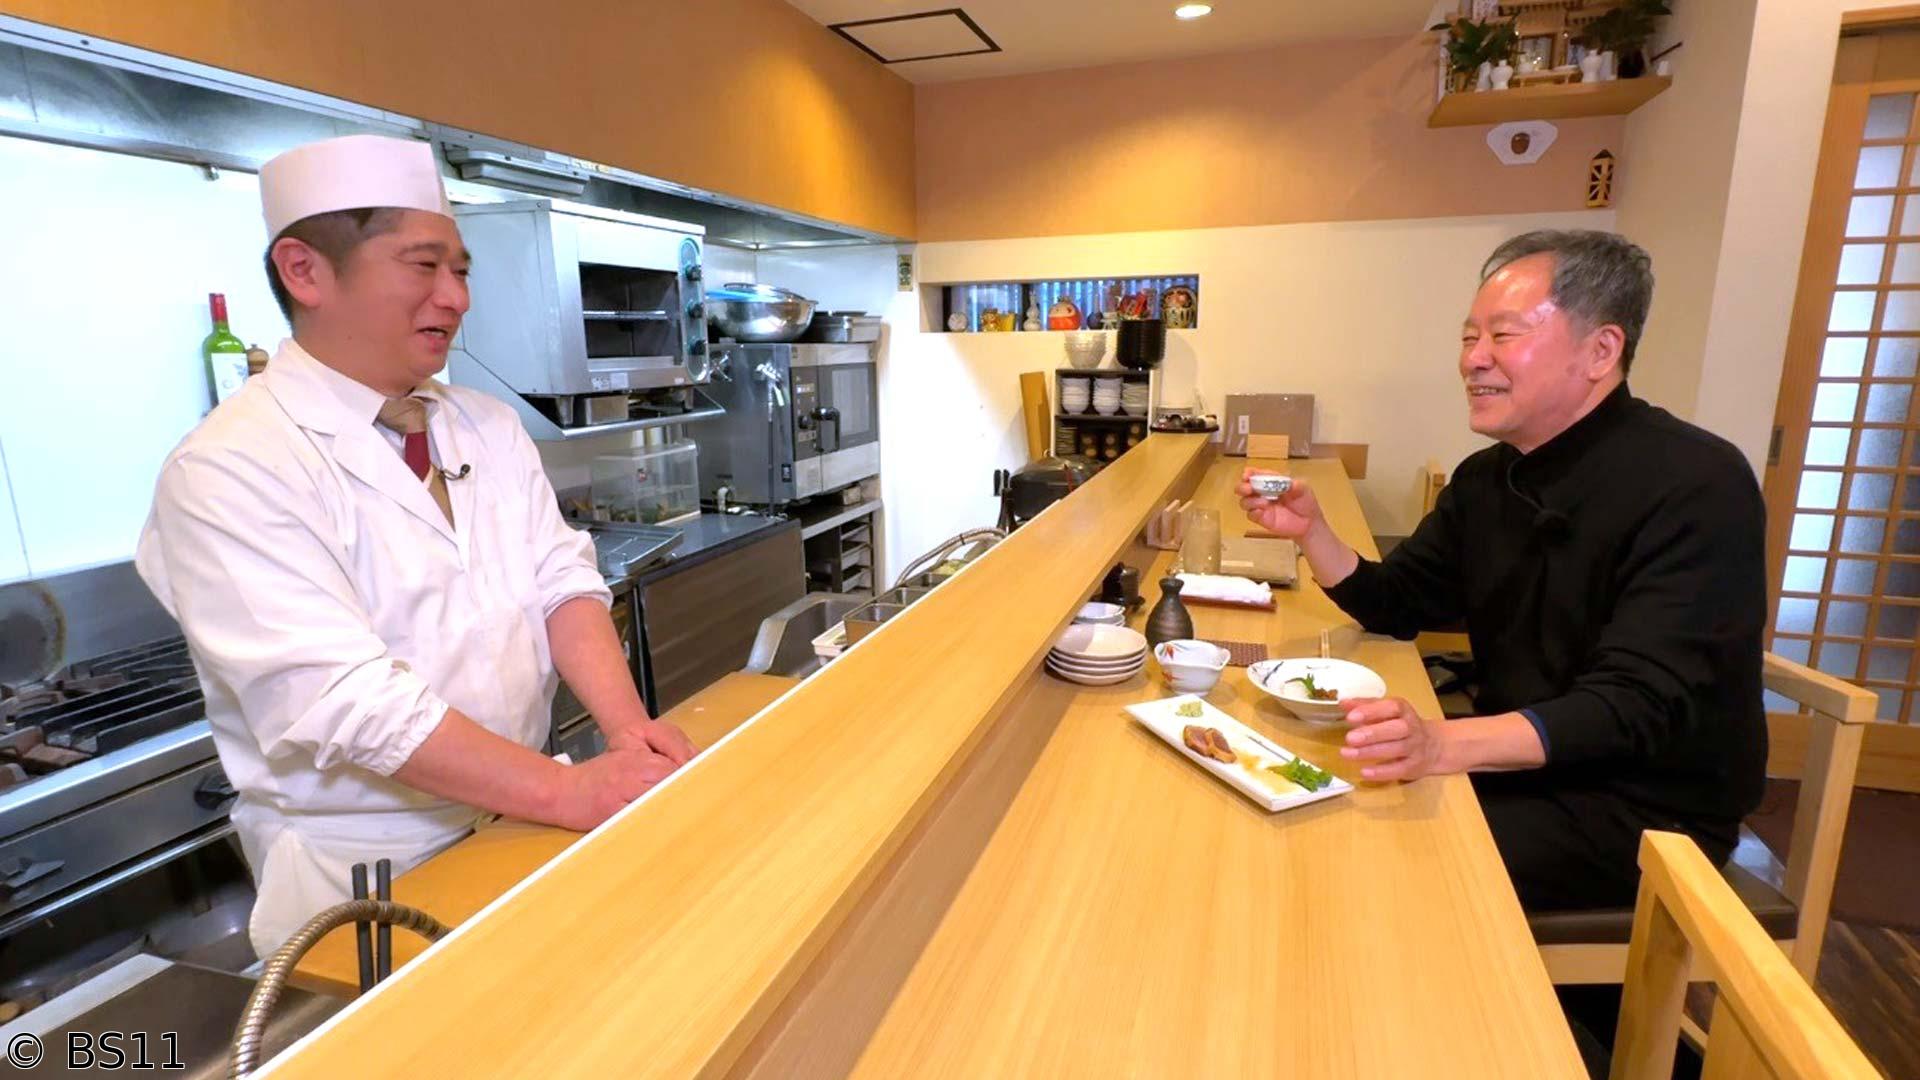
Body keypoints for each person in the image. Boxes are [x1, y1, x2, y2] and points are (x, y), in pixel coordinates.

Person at [137, 135, 695, 957]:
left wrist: (625, 730)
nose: (457, 297)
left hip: (521, 821)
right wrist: (569, 791)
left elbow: (560, 579)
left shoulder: (485, 426)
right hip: (368, 884)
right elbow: (349, 699)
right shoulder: (228, 467)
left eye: (461, 270)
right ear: (305, 272)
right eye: (423, 265)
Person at [1239, 230, 1767, 912]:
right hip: (1517, 763)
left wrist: (1441, 743)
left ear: (1601, 351)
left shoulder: (1696, 480)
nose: (1474, 361)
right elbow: (1400, 600)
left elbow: (1635, 704)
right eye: (1468, 338)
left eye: (1503, 335)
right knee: (1311, 793)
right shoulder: (1487, 479)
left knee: (1361, 858)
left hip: (1641, 809)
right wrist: (1313, 533)